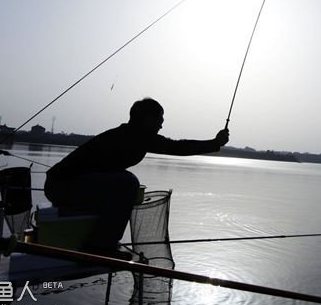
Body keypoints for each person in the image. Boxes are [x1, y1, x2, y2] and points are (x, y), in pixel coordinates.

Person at [44, 98, 229, 258]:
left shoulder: (133, 135)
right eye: (159, 120)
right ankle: (100, 246)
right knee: (128, 183)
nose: (161, 125)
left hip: (65, 186)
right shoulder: (134, 136)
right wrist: (215, 143)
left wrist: (214, 144)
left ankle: (98, 240)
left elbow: (176, 146)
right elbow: (177, 147)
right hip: (61, 187)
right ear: (147, 119)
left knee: (124, 183)